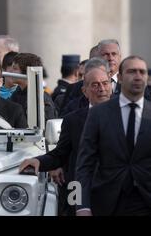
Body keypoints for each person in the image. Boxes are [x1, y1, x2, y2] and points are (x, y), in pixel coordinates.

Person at [19, 67, 112, 215]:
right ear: (85, 91)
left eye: (105, 83)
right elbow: (60, 155)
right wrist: (38, 161)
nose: (102, 88)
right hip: (79, 192)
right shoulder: (72, 120)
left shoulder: (125, 117)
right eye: (95, 85)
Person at [76, 56, 151, 216]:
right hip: (107, 202)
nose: (137, 76)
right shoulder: (98, 114)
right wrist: (82, 206)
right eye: (132, 71)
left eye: (142, 72)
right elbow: (84, 165)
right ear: (120, 78)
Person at [10, 53, 57, 121]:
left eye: (15, 68)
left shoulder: (41, 98)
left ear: (27, 72)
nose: (11, 71)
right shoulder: (16, 94)